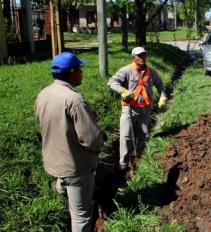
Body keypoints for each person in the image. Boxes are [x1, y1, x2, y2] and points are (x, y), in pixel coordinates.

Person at [35, 52, 104, 232]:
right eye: (80, 69)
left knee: (64, 189)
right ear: (72, 71)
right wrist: (98, 149)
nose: (82, 72)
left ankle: (62, 197)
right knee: (81, 215)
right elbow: (91, 139)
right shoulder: (74, 100)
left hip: (54, 162)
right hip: (76, 168)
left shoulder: (43, 94)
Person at [108, 47, 167, 171]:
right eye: (139, 56)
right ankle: (123, 164)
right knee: (126, 136)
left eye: (144, 55)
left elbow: (160, 84)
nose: (142, 58)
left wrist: (163, 96)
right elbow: (112, 82)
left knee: (143, 135)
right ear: (133, 57)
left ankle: (140, 159)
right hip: (129, 108)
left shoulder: (152, 72)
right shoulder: (126, 71)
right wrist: (122, 90)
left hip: (145, 110)